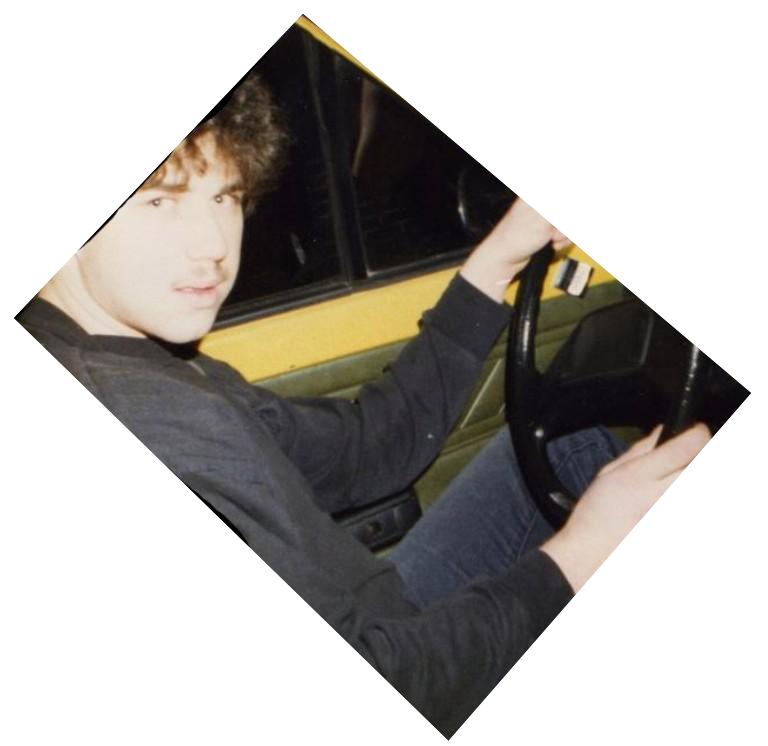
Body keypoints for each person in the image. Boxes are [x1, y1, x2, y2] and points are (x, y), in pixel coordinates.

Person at [16, 72, 710, 737]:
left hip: (378, 612)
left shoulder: (147, 359)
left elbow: (365, 448)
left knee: (572, 448)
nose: (213, 247)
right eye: (159, 201)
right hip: (398, 664)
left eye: (224, 196)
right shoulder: (143, 415)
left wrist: (498, 257)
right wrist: (581, 553)